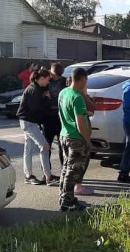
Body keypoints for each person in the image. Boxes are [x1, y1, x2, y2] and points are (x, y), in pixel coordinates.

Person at [16, 69, 60, 186]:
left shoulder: (37, 88)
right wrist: (47, 98)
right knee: (45, 146)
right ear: (40, 79)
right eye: (47, 80)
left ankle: (28, 175)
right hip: (29, 122)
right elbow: (38, 109)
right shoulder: (33, 90)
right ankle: (48, 177)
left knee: (28, 148)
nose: (48, 82)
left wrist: (46, 96)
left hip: (28, 121)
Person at [58, 68, 91, 211]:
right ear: (82, 80)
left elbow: (60, 113)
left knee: (66, 169)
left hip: (64, 135)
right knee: (73, 171)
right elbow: (80, 123)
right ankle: (67, 202)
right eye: (86, 81)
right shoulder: (77, 98)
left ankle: (65, 197)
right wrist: (87, 139)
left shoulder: (63, 92)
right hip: (76, 139)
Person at [43, 63, 67, 168]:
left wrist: (50, 98)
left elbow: (64, 99)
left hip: (59, 117)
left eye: (51, 71)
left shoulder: (65, 82)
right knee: (47, 145)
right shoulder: (47, 80)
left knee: (62, 145)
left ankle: (64, 169)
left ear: (55, 73)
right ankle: (47, 171)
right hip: (49, 117)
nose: (49, 72)